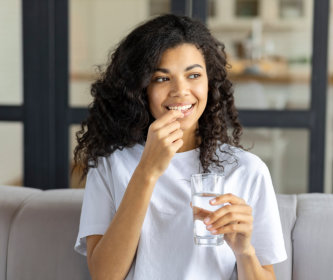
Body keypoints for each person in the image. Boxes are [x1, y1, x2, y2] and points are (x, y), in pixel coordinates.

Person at [73, 14, 287, 280]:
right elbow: (104, 275)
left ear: (210, 82)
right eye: (162, 78)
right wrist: (147, 171)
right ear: (140, 89)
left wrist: (245, 252)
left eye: (194, 75)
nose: (181, 91)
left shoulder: (247, 170)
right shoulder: (110, 165)